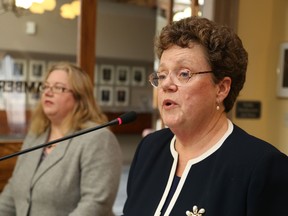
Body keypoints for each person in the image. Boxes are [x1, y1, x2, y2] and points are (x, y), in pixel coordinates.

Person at [122, 16, 288, 216]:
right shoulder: (149, 149)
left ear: (221, 88)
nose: (166, 85)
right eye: (162, 75)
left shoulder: (262, 166)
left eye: (184, 73)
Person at [0, 62, 122, 216]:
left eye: (58, 88)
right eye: (46, 86)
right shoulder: (35, 135)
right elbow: (13, 190)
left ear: (79, 97)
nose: (48, 92)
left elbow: (96, 204)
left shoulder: (98, 138)